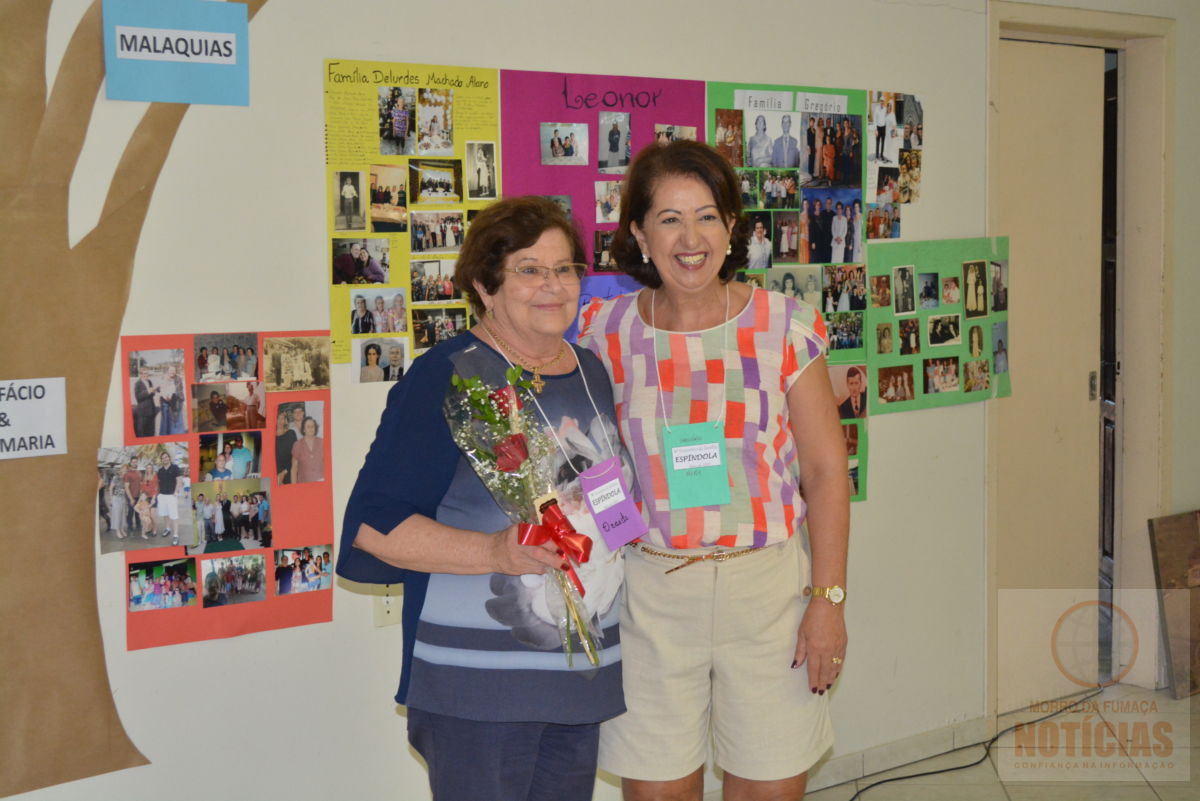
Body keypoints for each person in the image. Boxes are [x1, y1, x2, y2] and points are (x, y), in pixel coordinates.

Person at [576, 141, 847, 801]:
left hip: (769, 598)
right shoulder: (603, 331)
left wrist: (828, 600)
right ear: (639, 233)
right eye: (669, 218)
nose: (690, 238)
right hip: (653, 593)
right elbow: (594, 462)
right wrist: (613, 555)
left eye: (706, 215)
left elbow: (825, 470)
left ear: (732, 226)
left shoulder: (784, 325)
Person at [337, 196, 629, 801]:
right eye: (529, 269)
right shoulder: (449, 376)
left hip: (579, 671)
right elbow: (373, 526)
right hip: (479, 685)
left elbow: (605, 496)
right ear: (484, 286)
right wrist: (498, 550)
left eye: (565, 268)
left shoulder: (590, 370)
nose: (553, 285)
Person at [290, 417, 325, 483]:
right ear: (303, 429)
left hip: (322, 482)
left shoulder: (322, 442)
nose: (311, 429)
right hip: (305, 484)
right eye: (308, 427)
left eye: (312, 426)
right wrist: (293, 489)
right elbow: (294, 470)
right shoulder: (297, 445)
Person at [132, 366, 158, 437]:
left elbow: (152, 394)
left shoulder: (149, 381)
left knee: (151, 431)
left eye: (147, 373)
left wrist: (153, 391)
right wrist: (148, 391)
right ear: (140, 374)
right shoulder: (138, 383)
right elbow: (138, 397)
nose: (146, 375)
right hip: (143, 411)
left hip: (151, 409)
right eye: (144, 373)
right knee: (142, 431)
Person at [275, 410, 297, 485]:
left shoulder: (291, 433)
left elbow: (296, 454)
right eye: (278, 418)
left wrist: (284, 472)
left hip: (290, 468)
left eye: (283, 418)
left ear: (285, 420)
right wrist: (280, 472)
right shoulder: (270, 436)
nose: (280, 421)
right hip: (277, 469)